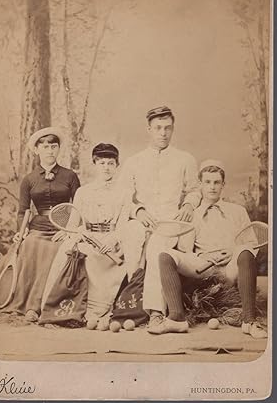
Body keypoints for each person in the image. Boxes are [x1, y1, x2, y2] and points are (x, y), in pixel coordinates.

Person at [149, 160, 267, 338]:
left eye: (216, 182)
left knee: (244, 250)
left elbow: (250, 244)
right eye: (207, 182)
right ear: (200, 185)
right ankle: (177, 318)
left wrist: (232, 251)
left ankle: (249, 321)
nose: (212, 187)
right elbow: (185, 250)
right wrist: (202, 256)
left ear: (223, 185)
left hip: (229, 268)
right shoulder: (192, 214)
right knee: (165, 255)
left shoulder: (238, 211)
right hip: (202, 266)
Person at [118, 106, 201, 329]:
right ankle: (127, 303)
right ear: (149, 129)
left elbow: (195, 190)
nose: (163, 133)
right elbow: (124, 197)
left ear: (173, 129)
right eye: (158, 128)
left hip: (170, 223)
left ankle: (155, 311)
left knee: (156, 247)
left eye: (167, 128)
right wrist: (138, 211)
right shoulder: (134, 161)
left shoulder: (185, 159)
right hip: (143, 219)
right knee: (131, 237)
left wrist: (189, 205)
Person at [0, 127, 80, 321]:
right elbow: (23, 211)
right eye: (45, 146)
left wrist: (70, 231)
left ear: (58, 149)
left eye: (54, 146)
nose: (49, 151)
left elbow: (79, 207)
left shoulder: (70, 176)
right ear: (37, 150)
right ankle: (27, 305)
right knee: (30, 245)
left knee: (55, 251)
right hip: (37, 228)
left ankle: (41, 306)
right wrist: (22, 229)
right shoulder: (29, 180)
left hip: (62, 229)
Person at [53, 143, 127, 329]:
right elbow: (73, 224)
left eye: (111, 163)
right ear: (94, 164)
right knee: (70, 252)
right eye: (101, 163)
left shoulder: (124, 193)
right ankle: (61, 308)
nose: (106, 167)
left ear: (117, 166)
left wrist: (112, 240)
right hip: (88, 239)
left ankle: (98, 311)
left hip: (112, 243)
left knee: (108, 262)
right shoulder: (82, 192)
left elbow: (123, 225)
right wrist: (75, 234)